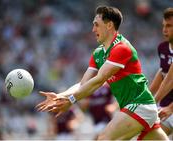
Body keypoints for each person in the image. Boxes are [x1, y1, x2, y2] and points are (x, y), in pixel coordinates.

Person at [36, 6, 169, 140]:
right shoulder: (98, 53)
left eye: (96, 25)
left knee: (104, 139)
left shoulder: (121, 48)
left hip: (140, 105)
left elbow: (100, 80)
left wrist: (71, 100)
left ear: (109, 25)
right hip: (138, 108)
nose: (93, 29)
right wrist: (60, 96)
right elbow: (83, 84)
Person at [149, 7, 173, 136]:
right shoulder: (162, 48)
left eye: (169, 26)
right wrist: (148, 98)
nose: (164, 30)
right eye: (164, 25)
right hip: (165, 109)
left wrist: (170, 108)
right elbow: (163, 74)